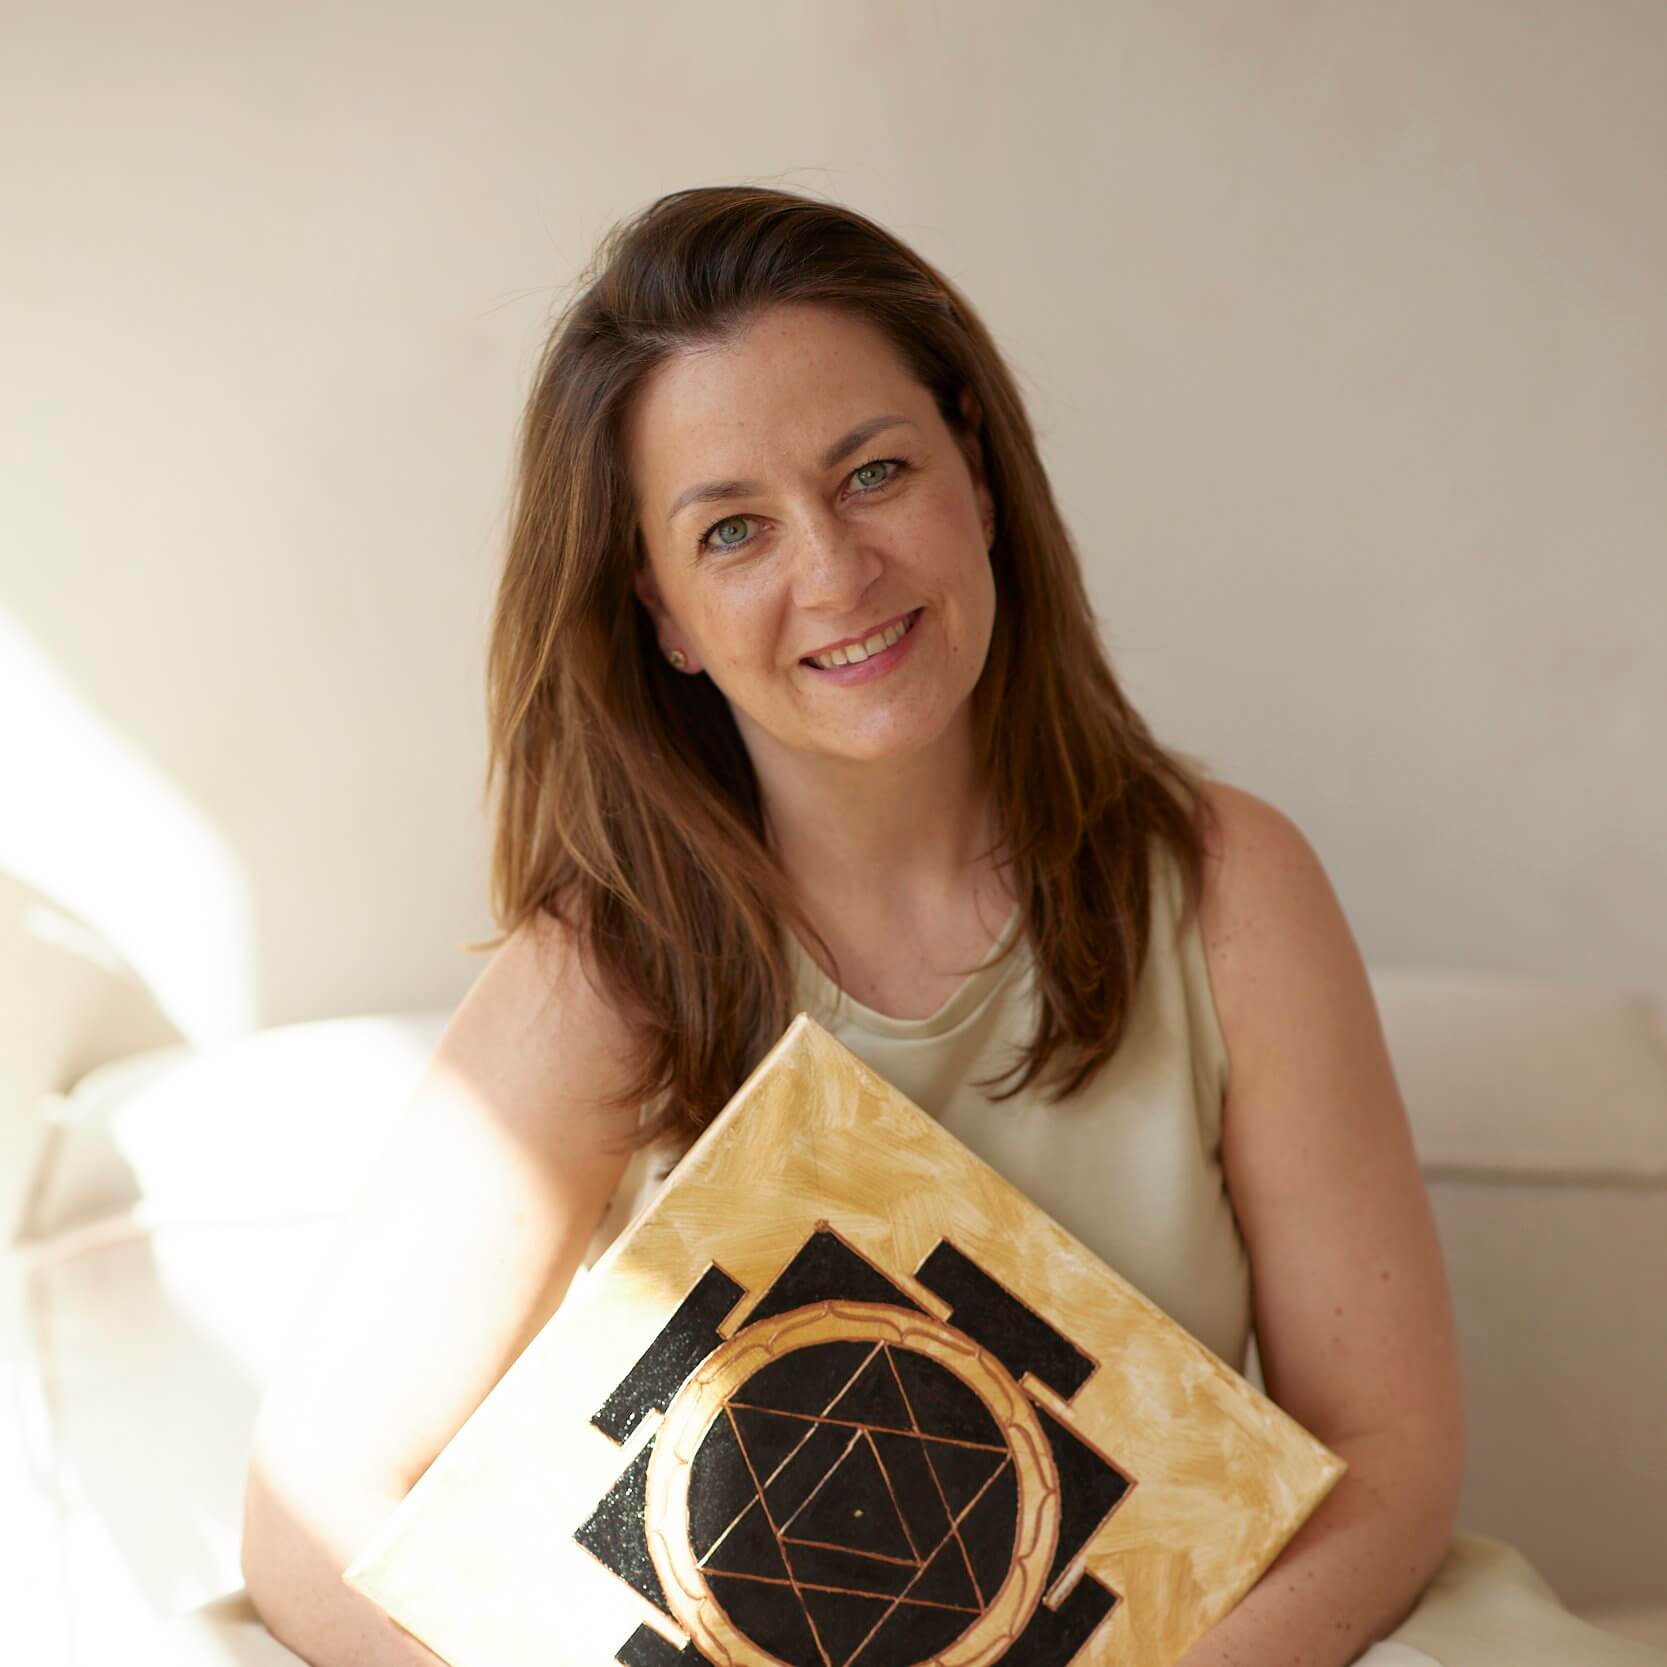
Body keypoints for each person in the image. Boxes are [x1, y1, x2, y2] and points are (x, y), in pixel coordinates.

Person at [240, 186, 1663, 1667]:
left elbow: (1385, 1456)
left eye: (874, 474)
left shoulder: (1230, 890)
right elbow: (306, 1511)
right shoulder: (601, 975)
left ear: (976, 479)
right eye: (734, 531)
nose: (834, 571)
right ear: (661, 613)